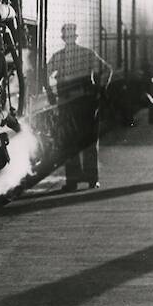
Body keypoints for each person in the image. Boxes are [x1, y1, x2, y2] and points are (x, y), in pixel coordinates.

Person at [46, 22, 112, 191]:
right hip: (87, 102)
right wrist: (101, 88)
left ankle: (73, 181)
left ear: (65, 38)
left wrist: (50, 93)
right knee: (89, 141)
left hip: (68, 104)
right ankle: (91, 179)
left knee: (70, 143)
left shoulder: (58, 57)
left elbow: (44, 73)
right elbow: (106, 70)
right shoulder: (86, 54)